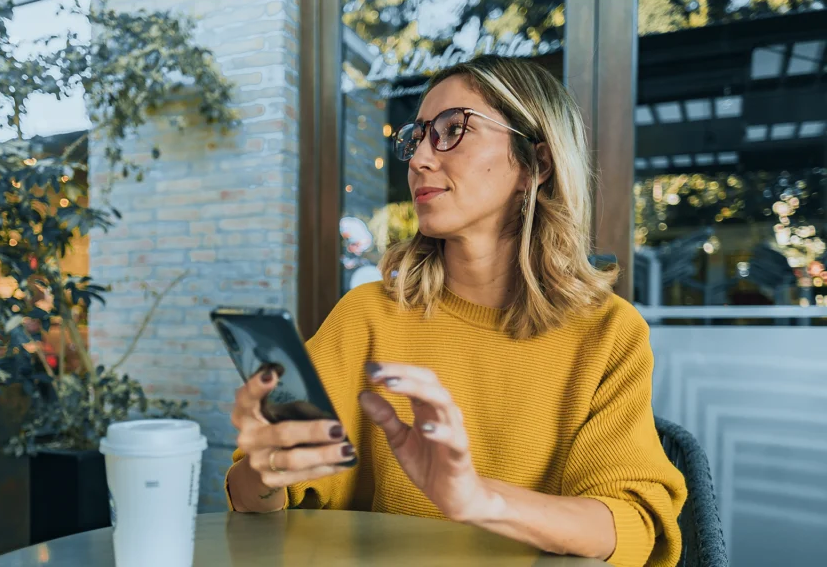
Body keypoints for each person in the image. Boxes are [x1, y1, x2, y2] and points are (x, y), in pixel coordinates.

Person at [225, 55, 686, 567]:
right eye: (418, 137)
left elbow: (628, 524)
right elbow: (251, 499)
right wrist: (267, 469)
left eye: (452, 130)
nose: (419, 158)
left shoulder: (607, 333)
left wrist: (476, 498)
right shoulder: (366, 317)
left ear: (536, 164)